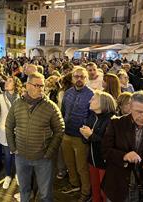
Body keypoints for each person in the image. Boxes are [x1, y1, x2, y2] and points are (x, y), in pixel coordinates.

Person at [6, 72, 64, 202]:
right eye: (36, 85)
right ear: (27, 86)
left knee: (45, 194)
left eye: (42, 86)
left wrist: (49, 152)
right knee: (24, 190)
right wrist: (13, 147)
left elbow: (59, 130)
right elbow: (9, 126)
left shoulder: (50, 107)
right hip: (21, 156)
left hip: (42, 158)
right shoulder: (17, 104)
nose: (40, 89)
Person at [102, 91, 143, 202]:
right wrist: (124, 156)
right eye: (139, 112)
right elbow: (104, 151)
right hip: (118, 186)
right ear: (130, 108)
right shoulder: (116, 124)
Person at [60, 66, 93, 202]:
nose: (79, 79)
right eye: (76, 76)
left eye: (82, 77)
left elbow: (92, 116)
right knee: (69, 163)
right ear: (72, 78)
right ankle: (74, 184)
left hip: (80, 136)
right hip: (66, 133)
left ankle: (86, 191)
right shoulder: (68, 92)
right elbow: (62, 111)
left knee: (82, 167)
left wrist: (85, 129)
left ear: (86, 78)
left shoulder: (91, 94)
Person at [80, 91, 116, 202]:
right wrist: (86, 137)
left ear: (103, 103)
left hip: (105, 164)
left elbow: (110, 144)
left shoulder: (112, 120)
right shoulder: (92, 117)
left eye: (93, 99)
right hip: (92, 161)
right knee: (95, 190)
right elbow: (87, 140)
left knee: (105, 193)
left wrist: (91, 136)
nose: (90, 101)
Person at [0, 76, 22, 189]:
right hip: (5, 130)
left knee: (17, 155)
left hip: (18, 131)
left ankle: (17, 174)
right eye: (6, 81)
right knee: (7, 155)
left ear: (16, 85)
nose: (6, 83)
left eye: (10, 81)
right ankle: (7, 175)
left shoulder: (21, 98)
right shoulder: (0, 97)